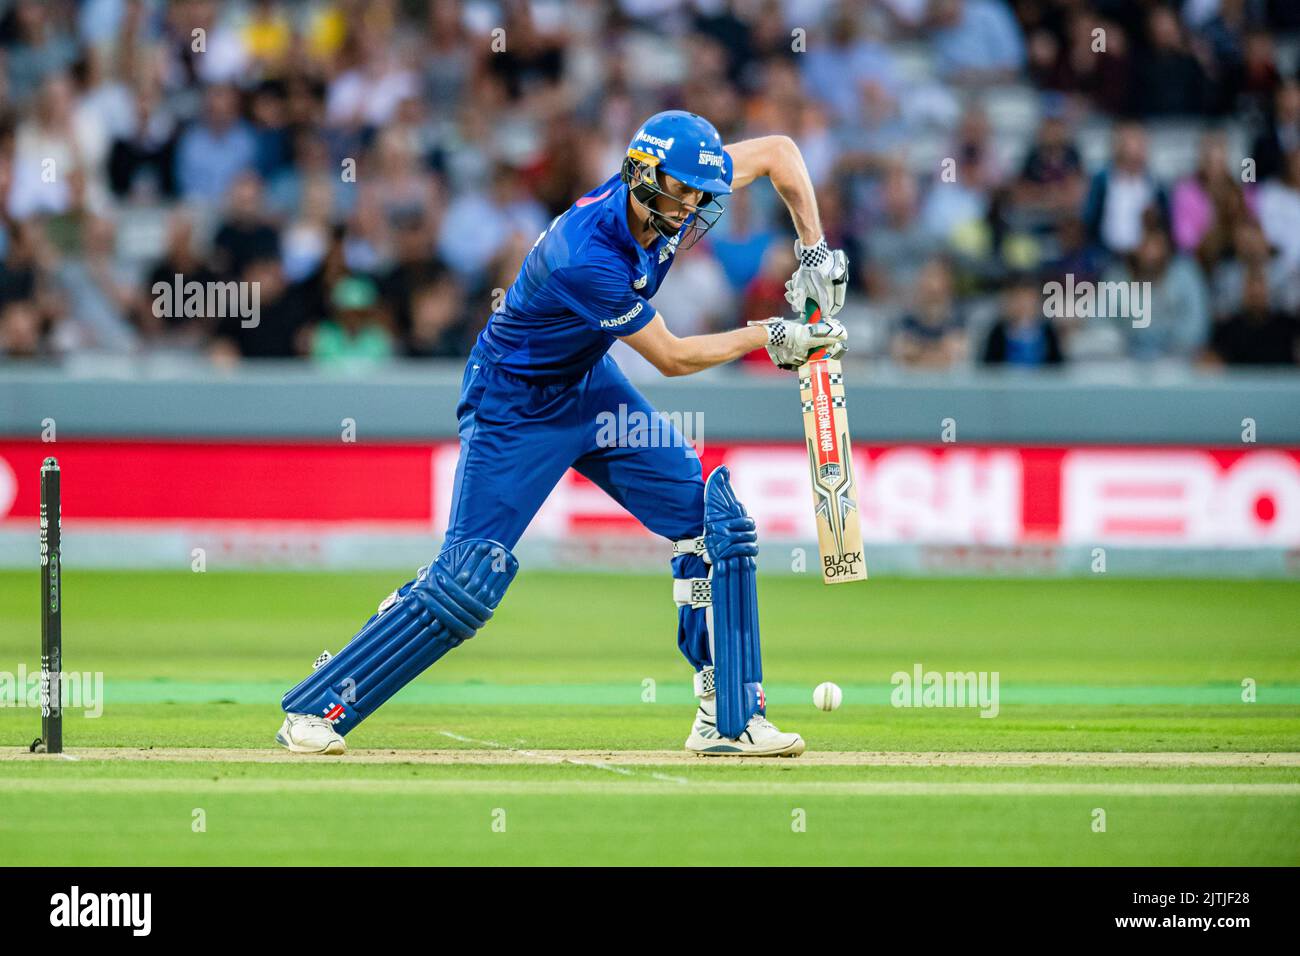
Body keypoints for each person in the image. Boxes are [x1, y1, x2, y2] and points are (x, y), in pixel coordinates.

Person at [275, 111, 848, 757]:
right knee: (468, 579)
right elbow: (672, 357)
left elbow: (779, 152)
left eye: (699, 195)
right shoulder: (587, 254)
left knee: (715, 526)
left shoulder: (673, 185)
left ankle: (730, 718)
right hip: (514, 404)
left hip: (588, 383)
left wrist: (814, 251)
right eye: (679, 194)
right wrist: (770, 335)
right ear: (640, 176)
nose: (690, 209)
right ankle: (319, 705)